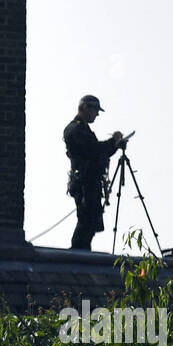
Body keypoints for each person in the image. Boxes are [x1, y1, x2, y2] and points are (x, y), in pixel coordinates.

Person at [63, 95, 124, 251]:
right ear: (85, 108)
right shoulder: (75, 129)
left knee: (91, 221)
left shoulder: (82, 129)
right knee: (86, 221)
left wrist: (114, 145)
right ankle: (77, 253)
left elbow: (97, 151)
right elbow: (93, 150)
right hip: (84, 182)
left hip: (90, 182)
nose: (97, 114)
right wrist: (113, 143)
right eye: (95, 110)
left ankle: (82, 251)